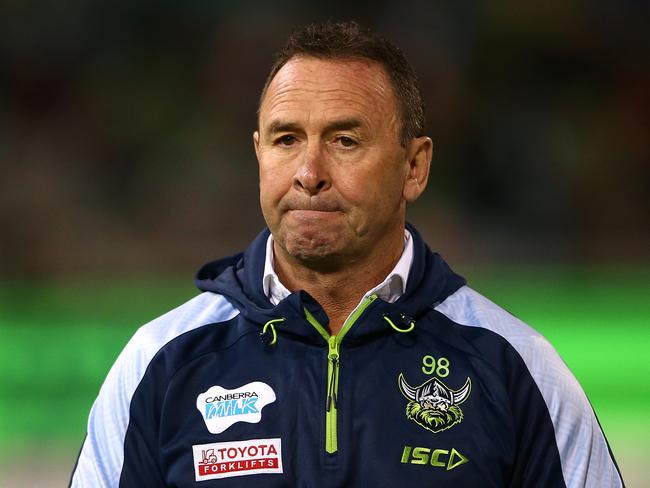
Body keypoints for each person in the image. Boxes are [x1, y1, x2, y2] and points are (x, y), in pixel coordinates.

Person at [69, 21, 624, 487]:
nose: (309, 174)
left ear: (415, 166)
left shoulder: (517, 369)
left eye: (345, 141)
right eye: (287, 140)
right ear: (259, 154)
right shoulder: (158, 364)